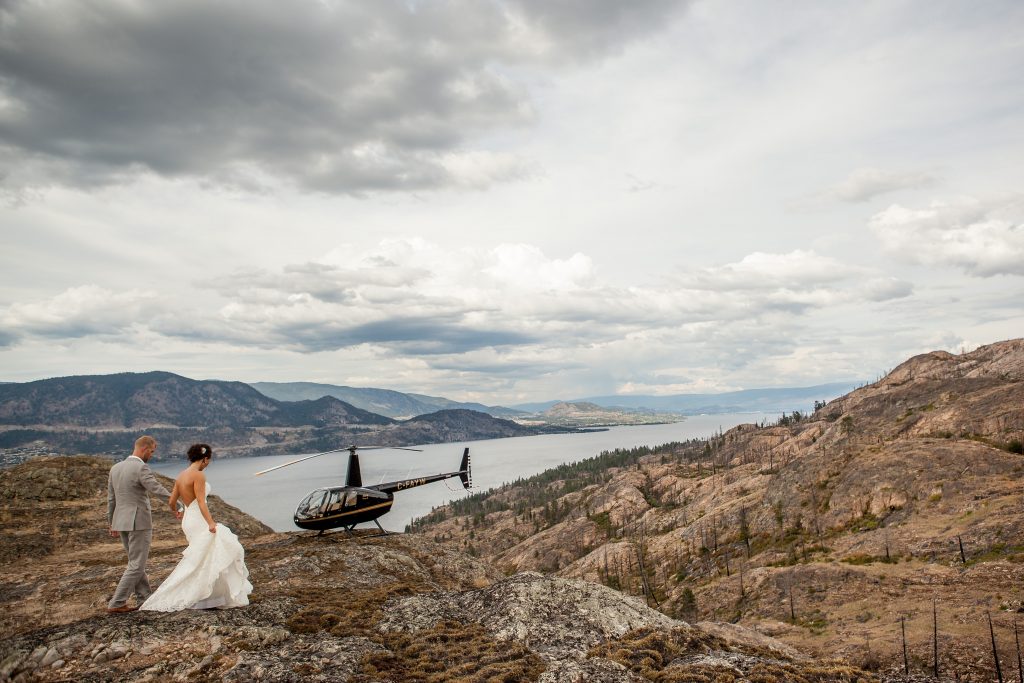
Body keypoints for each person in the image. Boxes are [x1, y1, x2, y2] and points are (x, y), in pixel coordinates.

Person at [140, 443, 252, 611]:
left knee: (201, 556)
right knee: (213, 552)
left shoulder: (181, 476)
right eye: (208, 461)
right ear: (205, 459)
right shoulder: (198, 475)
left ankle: (210, 597)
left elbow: (171, 501)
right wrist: (211, 523)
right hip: (199, 519)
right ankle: (204, 596)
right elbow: (201, 502)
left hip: (188, 520)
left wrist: (178, 510)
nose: (208, 464)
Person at [107, 434, 175, 613]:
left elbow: (111, 500)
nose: (151, 455)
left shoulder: (115, 468)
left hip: (120, 521)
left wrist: (111, 522)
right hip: (138, 521)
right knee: (137, 564)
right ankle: (117, 602)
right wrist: (177, 504)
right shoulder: (140, 468)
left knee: (135, 562)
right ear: (144, 448)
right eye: (151, 451)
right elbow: (156, 489)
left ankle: (144, 598)